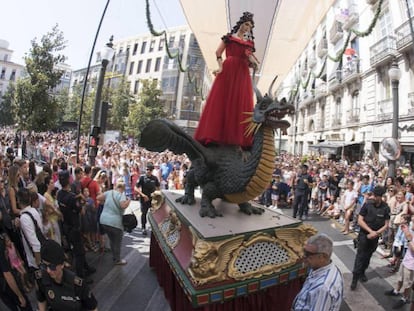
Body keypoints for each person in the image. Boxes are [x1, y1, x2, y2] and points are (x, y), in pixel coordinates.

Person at [194, 11, 259, 149]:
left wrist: (253, 63)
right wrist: (220, 67)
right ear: (241, 23)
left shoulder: (249, 43)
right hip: (228, 68)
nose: (247, 27)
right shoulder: (229, 38)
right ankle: (214, 136)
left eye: (250, 26)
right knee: (222, 101)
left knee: (239, 102)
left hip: (242, 72)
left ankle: (239, 139)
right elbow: (218, 52)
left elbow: (250, 59)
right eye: (246, 24)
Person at [35, 239, 98, 311]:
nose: (48, 271)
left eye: (52, 267)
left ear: (62, 264)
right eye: (44, 266)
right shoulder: (41, 278)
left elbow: (93, 308)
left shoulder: (77, 284)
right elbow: (41, 299)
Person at [56, 170, 95, 283]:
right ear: (69, 180)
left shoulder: (59, 194)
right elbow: (82, 212)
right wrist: (82, 200)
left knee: (79, 249)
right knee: (79, 253)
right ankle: (81, 277)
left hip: (66, 226)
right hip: (74, 227)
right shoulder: (72, 197)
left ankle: (86, 267)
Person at [351, 185, 390, 290]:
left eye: (377, 196)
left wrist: (376, 233)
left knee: (368, 256)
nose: (374, 197)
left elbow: (386, 224)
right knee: (360, 256)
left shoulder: (385, 207)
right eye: (374, 195)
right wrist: (370, 231)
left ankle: (362, 272)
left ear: (381, 196)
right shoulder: (367, 205)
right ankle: (355, 278)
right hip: (365, 234)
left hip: (375, 236)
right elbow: (360, 220)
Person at [292, 233, 343, 310]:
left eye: (308, 254)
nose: (303, 256)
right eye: (304, 251)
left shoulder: (323, 288)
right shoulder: (320, 268)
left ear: (322, 257)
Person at [97, 178, 131, 265]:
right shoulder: (121, 195)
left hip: (104, 220)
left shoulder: (109, 192)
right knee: (117, 242)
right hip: (115, 222)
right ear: (123, 188)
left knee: (112, 240)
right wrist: (128, 201)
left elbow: (98, 197)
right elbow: (123, 206)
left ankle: (114, 256)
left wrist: (105, 202)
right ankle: (117, 260)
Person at [384, 215, 414, 309]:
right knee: (400, 278)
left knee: (407, 284)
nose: (412, 223)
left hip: (411, 265)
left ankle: (405, 298)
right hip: (406, 260)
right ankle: (396, 291)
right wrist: (406, 232)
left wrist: (408, 237)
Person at [0, 230, 33, 311]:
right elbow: (7, 274)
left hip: (2, 289)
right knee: (24, 305)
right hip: (7, 284)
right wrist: (19, 295)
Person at [134, 163, 160, 235]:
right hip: (144, 199)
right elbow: (136, 187)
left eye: (150, 170)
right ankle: (143, 227)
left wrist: (157, 195)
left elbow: (158, 188)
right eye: (147, 169)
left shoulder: (155, 178)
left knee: (154, 214)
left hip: (152, 199)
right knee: (144, 213)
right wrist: (142, 195)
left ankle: (154, 228)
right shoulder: (142, 177)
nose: (148, 171)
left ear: (152, 170)